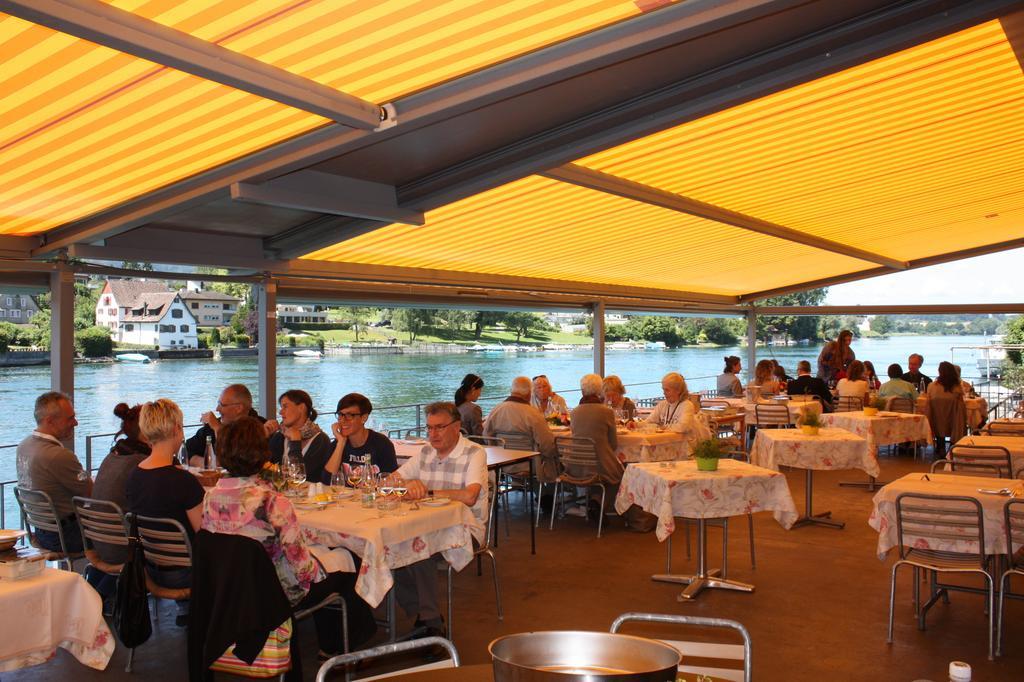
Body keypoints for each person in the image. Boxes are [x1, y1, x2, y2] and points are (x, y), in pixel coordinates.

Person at [202, 417, 376, 657]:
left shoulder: (211, 497)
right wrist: (327, 559)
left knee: (329, 558)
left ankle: (337, 642)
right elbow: (303, 570)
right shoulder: (272, 502)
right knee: (348, 562)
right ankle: (335, 649)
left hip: (231, 587)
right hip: (274, 594)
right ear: (260, 453)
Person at [390, 402, 487, 638]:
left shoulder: (474, 453)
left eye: (439, 428)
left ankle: (430, 624)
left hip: (464, 529)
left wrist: (428, 491)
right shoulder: (425, 452)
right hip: (424, 525)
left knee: (418, 551)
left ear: (457, 427)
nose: (432, 435)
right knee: (389, 549)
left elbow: (470, 496)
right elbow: (391, 480)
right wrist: (406, 483)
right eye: (429, 428)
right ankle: (424, 618)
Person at [127, 398, 205, 626]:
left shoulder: (134, 476)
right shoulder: (183, 481)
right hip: (185, 572)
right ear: (175, 430)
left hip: (150, 569)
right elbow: (204, 531)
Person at [16, 391, 91, 553]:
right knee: (128, 534)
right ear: (49, 421)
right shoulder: (57, 455)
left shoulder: (24, 446)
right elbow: (90, 491)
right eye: (70, 418)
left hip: (41, 532)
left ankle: (98, 577)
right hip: (66, 536)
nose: (76, 423)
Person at [88, 402, 151, 597]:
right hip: (123, 551)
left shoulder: (114, 455)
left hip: (98, 543)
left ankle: (100, 592)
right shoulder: (142, 462)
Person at [483, 377, 559, 483]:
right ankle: (547, 495)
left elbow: (486, 436)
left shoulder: (496, 410)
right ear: (529, 393)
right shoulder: (533, 414)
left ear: (511, 391)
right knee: (554, 458)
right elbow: (547, 445)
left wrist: (500, 453)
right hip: (530, 464)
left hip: (503, 464)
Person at [570, 374, 622, 519]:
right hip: (600, 467)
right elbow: (613, 444)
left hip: (577, 465)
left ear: (582, 391)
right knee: (621, 470)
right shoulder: (606, 412)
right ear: (600, 391)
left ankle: (593, 501)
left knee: (594, 467)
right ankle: (602, 504)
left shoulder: (574, 412)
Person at [186, 384, 268, 466]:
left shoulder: (261, 428)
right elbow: (186, 451)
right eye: (218, 403)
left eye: (222, 405)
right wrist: (210, 464)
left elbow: (235, 461)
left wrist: (217, 428)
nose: (217, 409)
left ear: (238, 408)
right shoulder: (210, 428)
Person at [323, 393, 398, 481]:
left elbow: (391, 481)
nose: (342, 420)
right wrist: (341, 443)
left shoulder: (382, 444)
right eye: (340, 414)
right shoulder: (337, 444)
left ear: (364, 418)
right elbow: (326, 481)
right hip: (344, 494)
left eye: (349, 415)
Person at [267, 390, 332, 483]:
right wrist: (263, 435)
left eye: (285, 406)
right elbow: (263, 468)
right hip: (281, 494)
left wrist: (295, 442)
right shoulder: (279, 436)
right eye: (281, 407)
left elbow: (298, 477)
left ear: (301, 408)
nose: (280, 412)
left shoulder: (321, 441)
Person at [646, 373, 710, 447]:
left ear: (678, 391)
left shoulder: (687, 405)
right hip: (666, 443)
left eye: (667, 390)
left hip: (684, 446)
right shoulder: (662, 404)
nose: (664, 393)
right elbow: (648, 422)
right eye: (663, 390)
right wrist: (636, 425)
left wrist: (662, 427)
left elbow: (683, 427)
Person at [926, 361, 966, 456]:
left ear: (939, 372)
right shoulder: (957, 388)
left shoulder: (932, 386)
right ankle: (952, 447)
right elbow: (961, 405)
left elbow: (928, 402)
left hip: (936, 419)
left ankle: (940, 447)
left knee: (939, 421)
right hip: (954, 421)